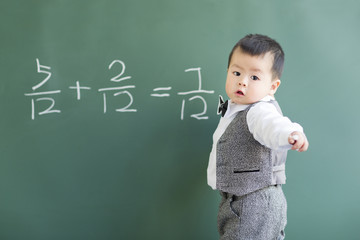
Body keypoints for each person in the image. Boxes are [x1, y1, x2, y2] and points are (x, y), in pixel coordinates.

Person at [207, 34, 309, 240]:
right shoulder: (239, 108)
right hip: (243, 201)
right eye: (236, 73)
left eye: (254, 77)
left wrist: (290, 133)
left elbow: (273, 125)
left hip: (253, 202)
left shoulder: (258, 111)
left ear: (272, 87)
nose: (242, 82)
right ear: (227, 72)